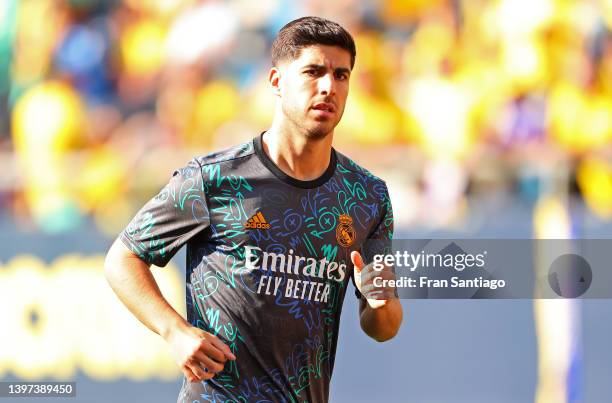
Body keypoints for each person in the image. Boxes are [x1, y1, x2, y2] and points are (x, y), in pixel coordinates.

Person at [104, 16, 402, 403]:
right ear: (277, 82)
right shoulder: (215, 179)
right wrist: (173, 331)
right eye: (313, 72)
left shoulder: (366, 196)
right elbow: (123, 258)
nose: (329, 86)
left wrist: (383, 304)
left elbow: (383, 326)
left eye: (341, 75)